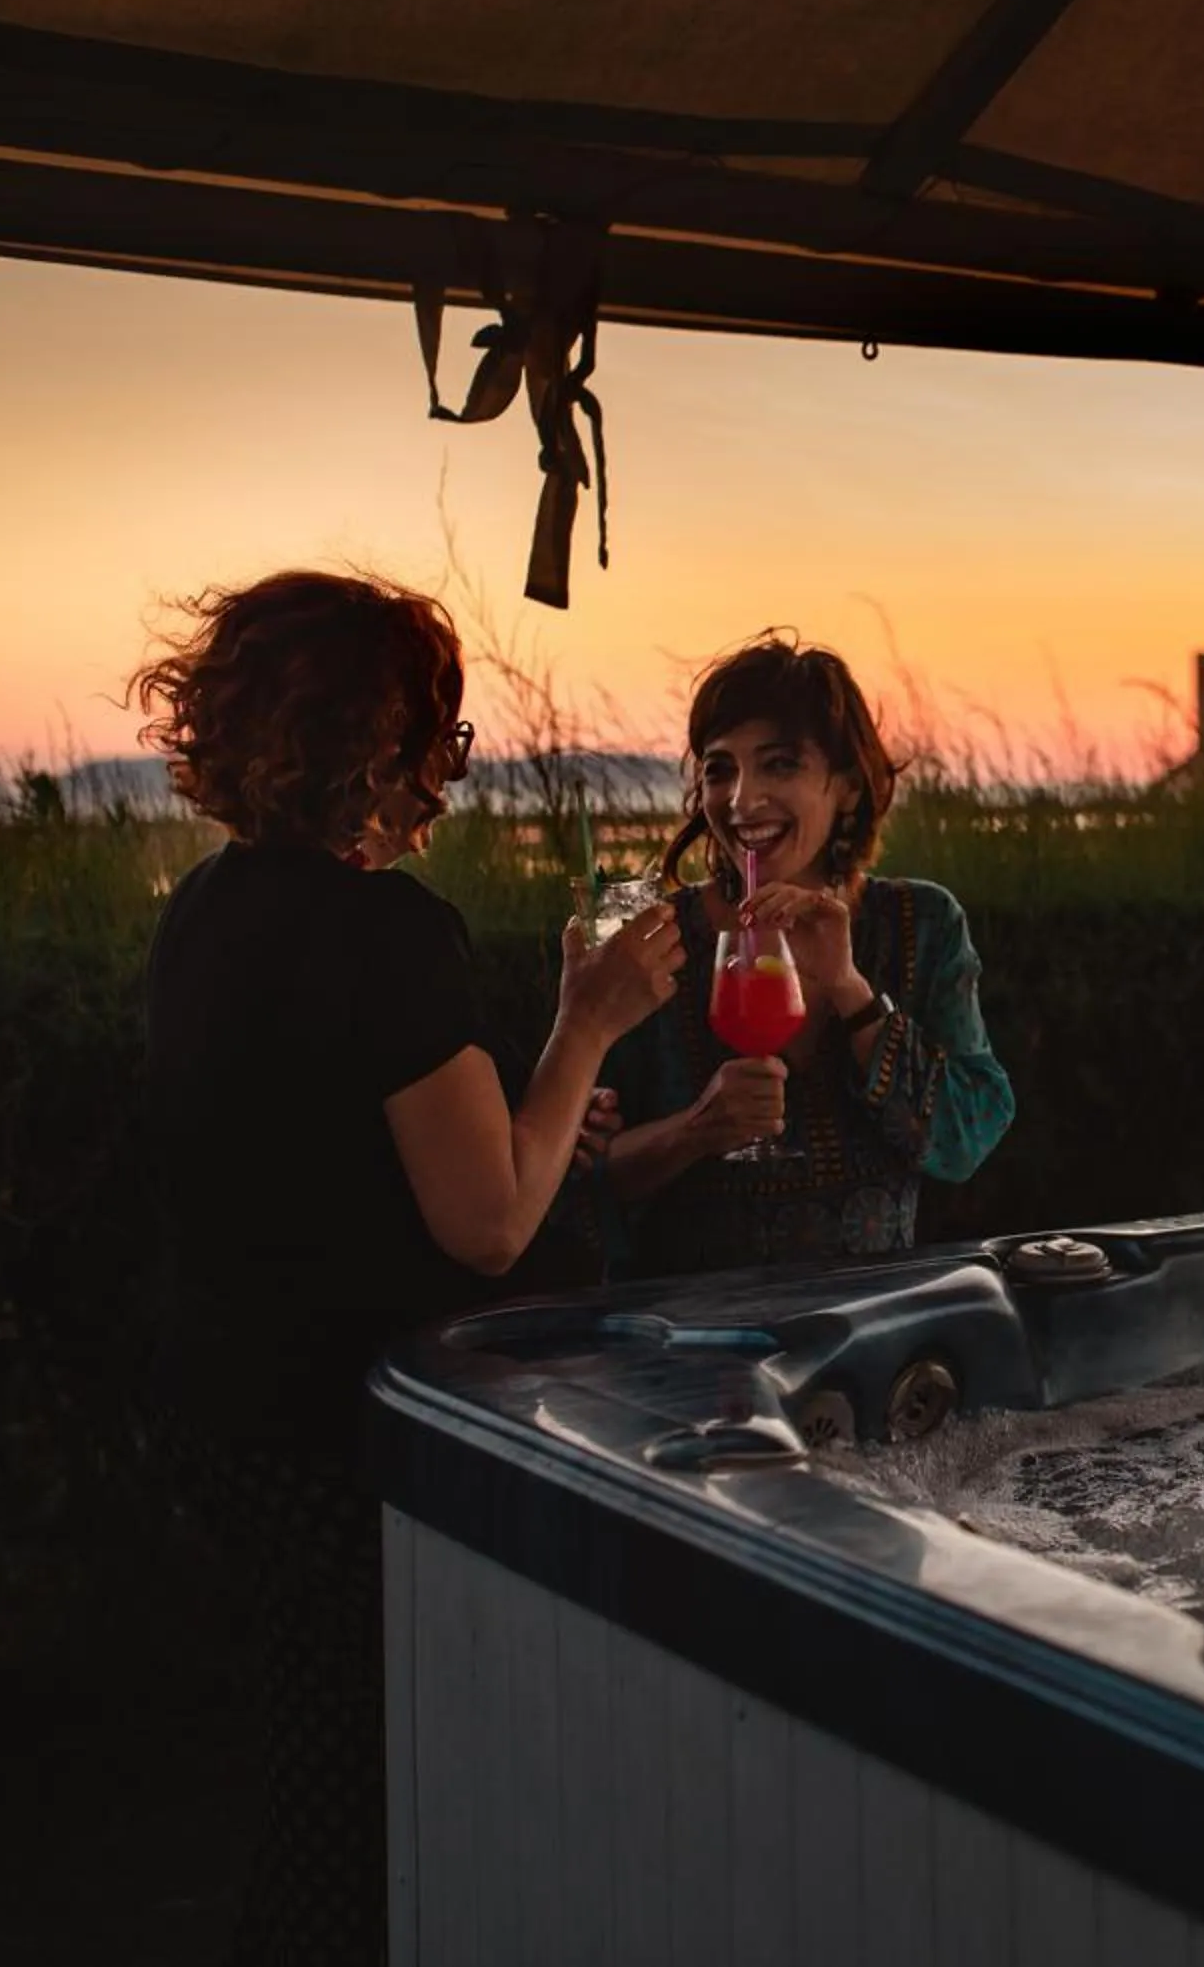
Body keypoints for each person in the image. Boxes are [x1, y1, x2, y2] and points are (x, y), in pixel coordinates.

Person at [130, 569, 681, 1964]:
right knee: (367, 1801)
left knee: (307, 1765)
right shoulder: (388, 931)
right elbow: (488, 1224)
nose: (446, 766)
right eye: (440, 733)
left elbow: (327, 1148)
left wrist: (534, 1112)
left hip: (225, 1404)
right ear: (378, 745)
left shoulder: (202, 911)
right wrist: (588, 1024)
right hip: (349, 1432)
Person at [601, 634, 1012, 1273]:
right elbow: (579, 1183)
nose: (742, 799)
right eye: (720, 769)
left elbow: (967, 1140)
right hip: (688, 1322)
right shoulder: (655, 942)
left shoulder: (921, 923)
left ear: (846, 785)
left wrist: (849, 989)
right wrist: (696, 1131)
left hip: (875, 1315)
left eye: (780, 764)